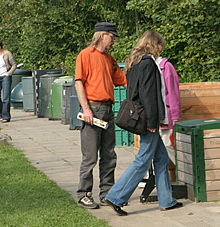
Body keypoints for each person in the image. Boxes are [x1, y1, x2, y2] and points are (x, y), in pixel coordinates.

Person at [104, 30, 183, 216]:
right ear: (155, 45)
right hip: (148, 119)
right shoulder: (148, 64)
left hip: (140, 116)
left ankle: (166, 200)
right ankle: (116, 197)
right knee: (143, 159)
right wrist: (153, 120)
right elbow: (149, 95)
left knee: (162, 159)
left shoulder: (134, 62)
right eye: (160, 46)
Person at [75, 22, 127, 209]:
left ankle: (107, 193)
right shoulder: (85, 55)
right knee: (90, 157)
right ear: (102, 35)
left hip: (108, 110)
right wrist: (86, 109)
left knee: (109, 154)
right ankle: (84, 194)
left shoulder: (109, 59)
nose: (113, 40)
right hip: (93, 110)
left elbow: (123, 80)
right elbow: (79, 83)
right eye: (112, 37)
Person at [156, 56, 181, 166]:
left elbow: (173, 92)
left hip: (166, 115)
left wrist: (175, 115)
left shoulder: (166, 67)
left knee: (168, 144)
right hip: (154, 116)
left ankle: (185, 171)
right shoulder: (147, 65)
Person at [0, 40, 17, 123]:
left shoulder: (7, 54)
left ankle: (6, 116)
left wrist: (9, 73)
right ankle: (1, 114)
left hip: (5, 77)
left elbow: (14, 64)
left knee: (6, 97)